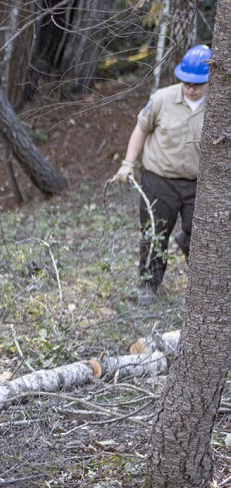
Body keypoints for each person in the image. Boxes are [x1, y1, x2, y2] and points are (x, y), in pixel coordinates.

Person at [112, 45, 210, 306]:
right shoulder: (162, 99)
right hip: (159, 180)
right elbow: (141, 129)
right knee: (154, 233)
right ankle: (148, 285)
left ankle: (202, 289)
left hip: (199, 183)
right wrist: (127, 163)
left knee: (201, 235)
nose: (191, 88)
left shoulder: (219, 107)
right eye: (187, 82)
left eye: (198, 84)